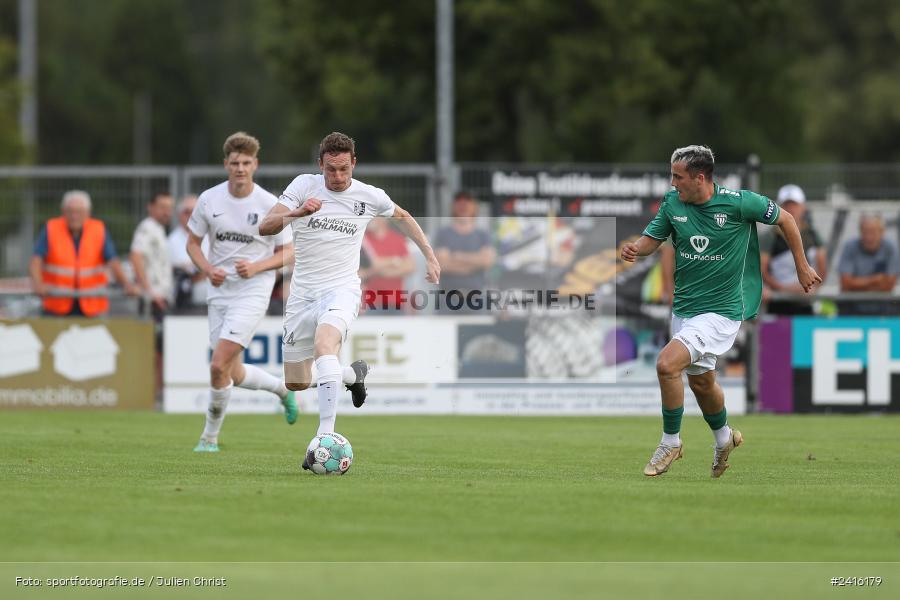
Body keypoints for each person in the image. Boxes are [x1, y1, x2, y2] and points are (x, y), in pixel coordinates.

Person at [621, 145, 820, 478]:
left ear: (700, 178)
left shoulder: (739, 202)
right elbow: (652, 239)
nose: (673, 184)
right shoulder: (673, 204)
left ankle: (671, 442)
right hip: (685, 309)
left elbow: (785, 218)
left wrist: (802, 265)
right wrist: (635, 249)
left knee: (666, 365)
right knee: (701, 383)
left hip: (721, 311)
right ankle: (724, 437)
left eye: (678, 177)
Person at [259, 132, 440, 468]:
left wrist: (428, 255)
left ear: (353, 163)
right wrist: (297, 212)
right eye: (331, 170)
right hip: (301, 296)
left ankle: (324, 436)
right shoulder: (303, 186)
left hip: (341, 289)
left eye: (344, 169)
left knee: (325, 346)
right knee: (296, 381)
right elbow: (265, 226)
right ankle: (350, 376)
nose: (338, 177)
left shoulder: (368, 195)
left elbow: (403, 217)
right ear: (320, 166)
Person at [187, 132, 298, 453]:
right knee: (230, 370)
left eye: (246, 162)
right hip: (219, 290)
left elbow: (289, 252)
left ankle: (208, 438)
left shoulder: (267, 204)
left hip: (253, 290)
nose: (240, 168)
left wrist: (259, 267)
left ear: (255, 165)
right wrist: (208, 269)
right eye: (234, 162)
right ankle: (282, 390)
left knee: (217, 365)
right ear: (226, 164)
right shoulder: (209, 199)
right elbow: (192, 244)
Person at [30, 190, 137, 316]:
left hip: (92, 305)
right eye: (70, 211)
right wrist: (38, 284)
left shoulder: (98, 229)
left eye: (79, 211)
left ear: (88, 213)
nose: (74, 216)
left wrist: (126, 284)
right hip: (56, 305)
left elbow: (113, 261)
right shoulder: (51, 228)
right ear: (63, 211)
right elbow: (36, 261)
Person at [130, 191, 175, 398]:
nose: (167, 212)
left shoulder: (158, 230)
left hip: (160, 298)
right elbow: (136, 256)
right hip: (153, 300)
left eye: (169, 207)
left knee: (161, 349)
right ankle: (150, 394)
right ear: (151, 207)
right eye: (162, 207)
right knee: (154, 350)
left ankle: (155, 393)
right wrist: (149, 291)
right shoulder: (147, 228)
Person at [760, 184, 828, 315]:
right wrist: (782, 289)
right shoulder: (770, 237)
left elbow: (822, 266)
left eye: (794, 205)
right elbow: (762, 269)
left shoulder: (813, 235)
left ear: (803, 207)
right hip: (778, 302)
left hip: (806, 300)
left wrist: (811, 288)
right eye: (786, 205)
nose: (791, 209)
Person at [434, 191, 495, 309]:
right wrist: (475, 262)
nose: (463, 206)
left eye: (467, 202)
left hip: (476, 300)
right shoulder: (443, 234)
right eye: (459, 202)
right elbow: (442, 265)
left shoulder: (482, 235)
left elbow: (487, 262)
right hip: (448, 300)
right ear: (453, 206)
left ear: (474, 207)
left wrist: (457, 256)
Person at [837, 213, 900, 314]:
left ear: (882, 232)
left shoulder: (890, 248)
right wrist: (874, 280)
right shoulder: (850, 247)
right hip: (853, 307)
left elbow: (889, 285)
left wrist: (857, 284)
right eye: (865, 232)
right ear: (860, 232)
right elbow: (845, 284)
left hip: (883, 307)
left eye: (873, 232)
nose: (869, 237)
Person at [360, 216, 415, 312]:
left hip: (396, 301)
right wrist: (395, 261)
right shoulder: (363, 239)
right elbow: (371, 266)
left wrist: (378, 271)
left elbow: (410, 267)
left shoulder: (397, 239)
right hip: (371, 302)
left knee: (397, 327)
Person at [168, 195, 209, 311]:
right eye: (186, 212)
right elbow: (180, 270)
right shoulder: (172, 240)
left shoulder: (210, 235)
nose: (191, 215)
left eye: (194, 211)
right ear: (179, 215)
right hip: (185, 303)